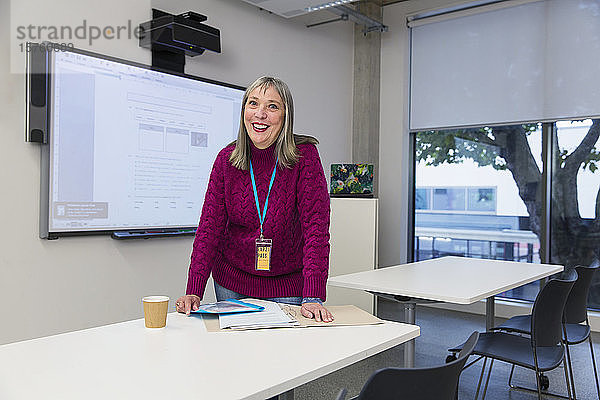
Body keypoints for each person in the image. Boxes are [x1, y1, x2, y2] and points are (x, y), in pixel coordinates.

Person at [175, 76, 333, 322]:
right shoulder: (226, 160)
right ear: (244, 111)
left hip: (288, 286)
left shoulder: (305, 157)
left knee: (287, 359)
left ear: (285, 116)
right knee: (236, 357)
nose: (260, 114)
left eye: (272, 106)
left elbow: (316, 230)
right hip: (231, 283)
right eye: (253, 103)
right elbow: (209, 228)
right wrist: (194, 289)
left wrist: (313, 294)